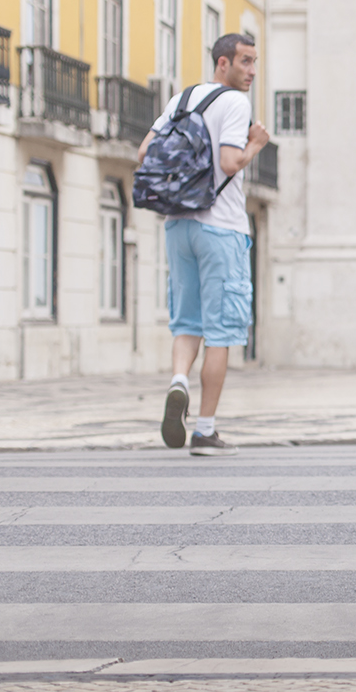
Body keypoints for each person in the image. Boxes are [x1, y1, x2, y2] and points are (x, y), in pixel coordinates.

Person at [141, 32, 271, 456]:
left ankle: (178, 381)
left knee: (186, 322)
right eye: (245, 62)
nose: (252, 71)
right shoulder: (235, 102)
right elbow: (229, 162)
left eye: (254, 63)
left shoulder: (183, 98)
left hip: (178, 226)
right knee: (222, 332)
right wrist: (255, 143)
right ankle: (205, 431)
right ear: (222, 63)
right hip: (222, 228)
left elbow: (145, 152)